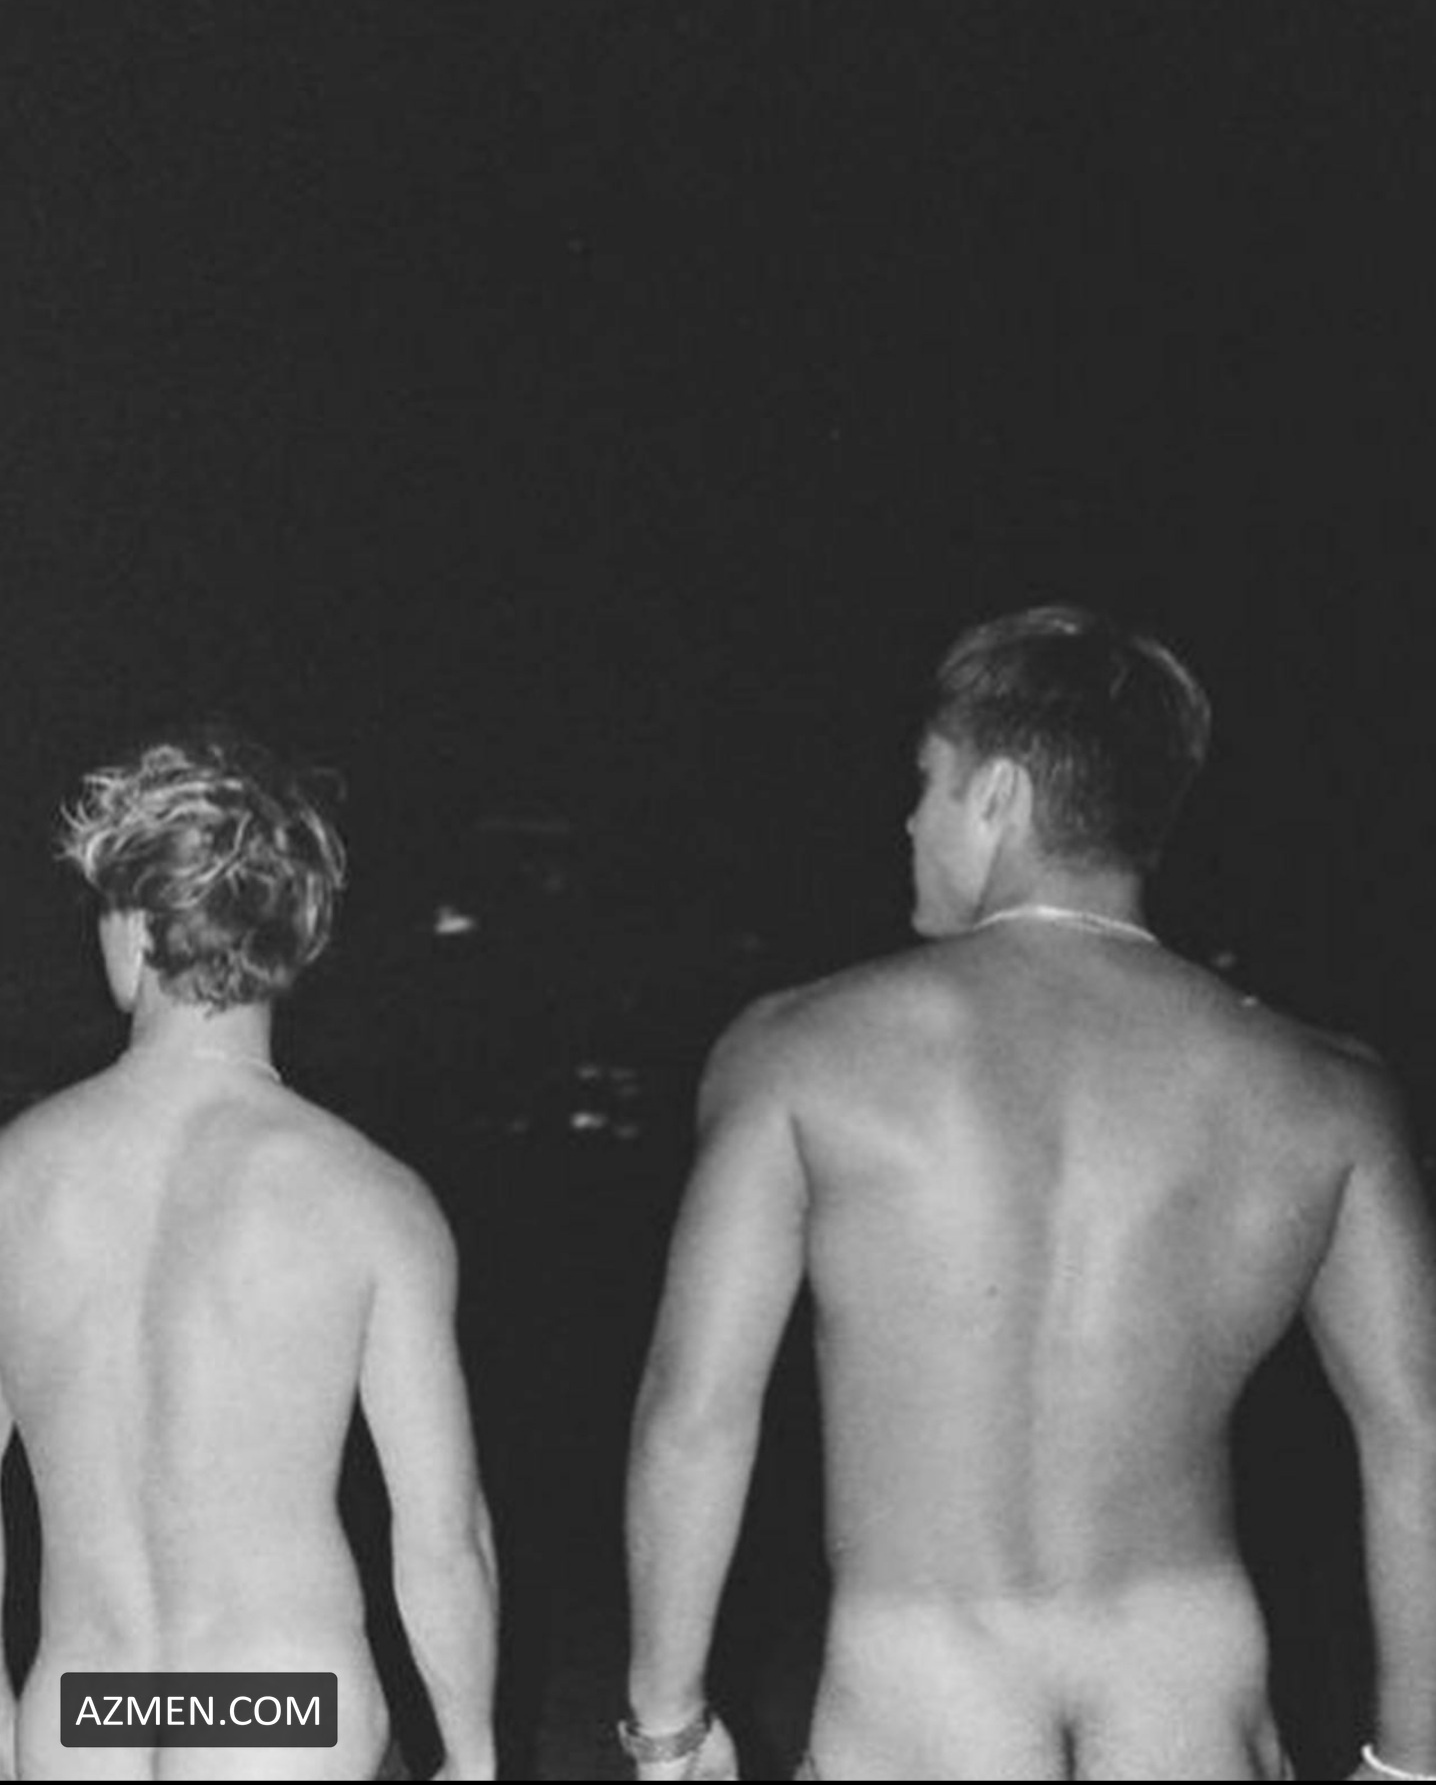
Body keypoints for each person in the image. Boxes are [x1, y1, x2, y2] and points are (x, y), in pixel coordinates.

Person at [624, 606, 1436, 1784]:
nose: (910, 819)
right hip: (1189, 1711)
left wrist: (666, 1725)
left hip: (916, 1714)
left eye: (927, 781)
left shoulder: (799, 1049)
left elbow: (693, 1412)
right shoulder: (1326, 1090)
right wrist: (1411, 1756)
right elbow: (1416, 1433)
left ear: (997, 792)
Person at [0, 732, 498, 1782]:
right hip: (279, 1712)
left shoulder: (14, 1178)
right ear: (295, 943)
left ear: (136, 927)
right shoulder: (367, 1197)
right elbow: (441, 1538)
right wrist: (471, 1755)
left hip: (86, 1713)